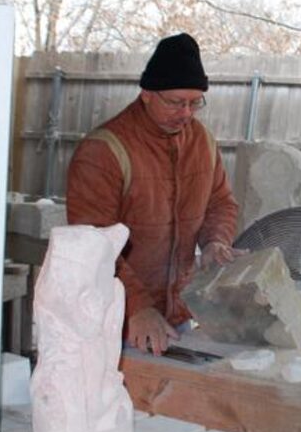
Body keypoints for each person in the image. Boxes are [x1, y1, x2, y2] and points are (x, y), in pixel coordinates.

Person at [67, 32, 240, 357]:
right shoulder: (103, 151)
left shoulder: (202, 142)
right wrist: (138, 307)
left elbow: (220, 201)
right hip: (116, 320)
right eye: (176, 102)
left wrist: (216, 240)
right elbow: (93, 244)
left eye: (194, 102)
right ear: (146, 94)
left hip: (179, 316)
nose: (186, 113)